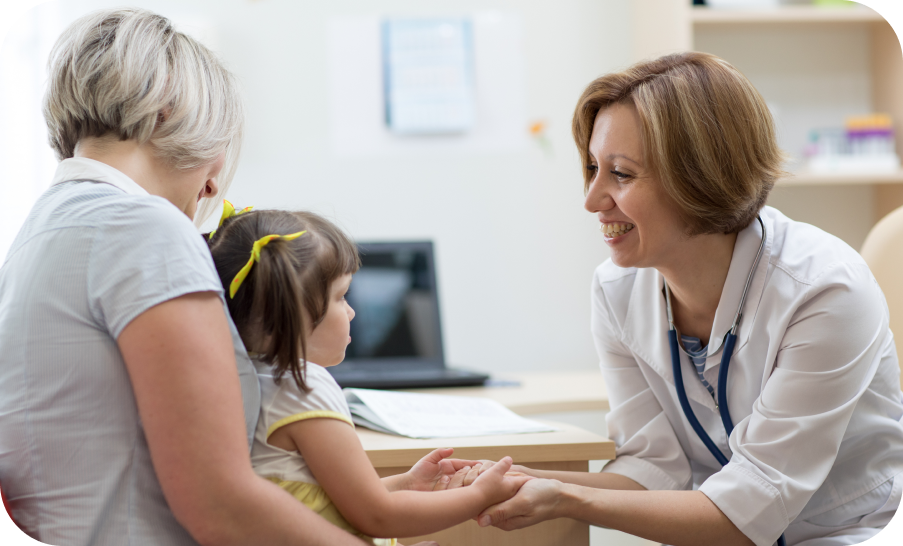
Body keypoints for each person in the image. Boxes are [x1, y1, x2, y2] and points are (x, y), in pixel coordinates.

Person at [0, 9, 449, 546]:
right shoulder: (144, 228)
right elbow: (219, 504)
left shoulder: (42, 228)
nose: (212, 186)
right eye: (215, 148)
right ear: (166, 108)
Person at [473, 52, 903, 545]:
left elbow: (745, 512)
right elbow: (652, 468)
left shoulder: (825, 289)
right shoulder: (617, 290)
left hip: (849, 532)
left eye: (622, 174)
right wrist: (519, 482)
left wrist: (568, 498)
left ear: (701, 175)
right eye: (593, 168)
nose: (592, 199)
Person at [206, 207, 531, 545]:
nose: (351, 311)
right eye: (340, 296)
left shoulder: (248, 380)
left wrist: (404, 484)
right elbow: (378, 516)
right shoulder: (304, 388)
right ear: (289, 314)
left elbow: (326, 496)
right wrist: (480, 495)